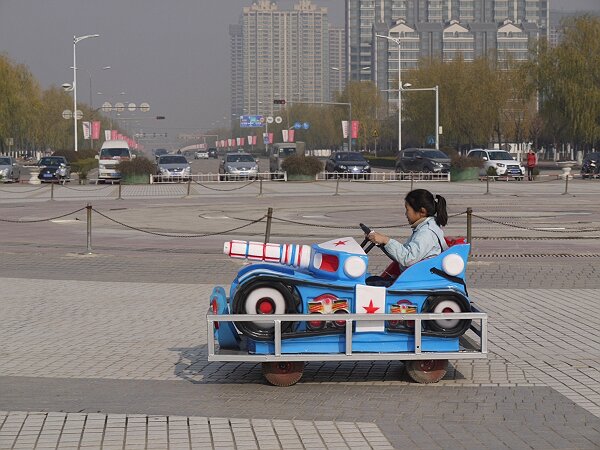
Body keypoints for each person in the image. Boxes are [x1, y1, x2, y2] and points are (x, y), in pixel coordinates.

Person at [366, 189, 448, 273]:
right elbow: (401, 256)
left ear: (422, 212)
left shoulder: (427, 232)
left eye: (407, 210)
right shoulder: (425, 227)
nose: (406, 214)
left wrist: (386, 240)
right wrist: (381, 243)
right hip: (415, 275)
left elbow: (407, 258)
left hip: (420, 278)